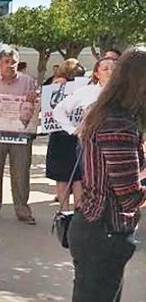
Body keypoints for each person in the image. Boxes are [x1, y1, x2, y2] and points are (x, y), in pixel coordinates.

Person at [49, 48, 146, 302]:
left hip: (106, 233)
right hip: (103, 234)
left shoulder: (113, 117)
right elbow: (129, 194)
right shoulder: (117, 125)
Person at [0, 46, 39, 224]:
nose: (10, 65)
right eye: (6, 62)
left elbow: (38, 102)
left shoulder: (28, 81)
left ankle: (22, 210)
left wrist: (35, 97)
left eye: (14, 62)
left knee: (21, 172)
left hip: (21, 135)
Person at [50, 57, 115, 208]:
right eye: (105, 69)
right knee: (91, 181)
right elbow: (59, 110)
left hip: (116, 145)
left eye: (114, 69)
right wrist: (73, 130)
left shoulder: (126, 93)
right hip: (91, 146)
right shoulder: (87, 92)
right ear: (96, 73)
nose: (110, 72)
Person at [45, 59, 85, 209]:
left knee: (66, 177)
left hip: (63, 136)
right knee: (76, 177)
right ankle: (76, 210)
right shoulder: (56, 85)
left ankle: (65, 210)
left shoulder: (54, 85)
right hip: (73, 135)